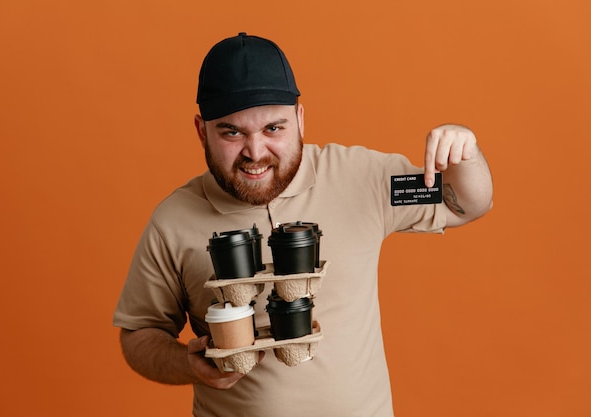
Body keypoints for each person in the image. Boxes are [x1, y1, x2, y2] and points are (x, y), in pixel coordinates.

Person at [113, 32, 493, 417]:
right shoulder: (173, 220)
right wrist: (186, 365)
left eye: (273, 128)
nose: (255, 152)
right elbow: (139, 335)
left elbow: (466, 205)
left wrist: (467, 153)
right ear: (201, 131)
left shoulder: (361, 178)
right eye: (232, 132)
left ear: (300, 118)